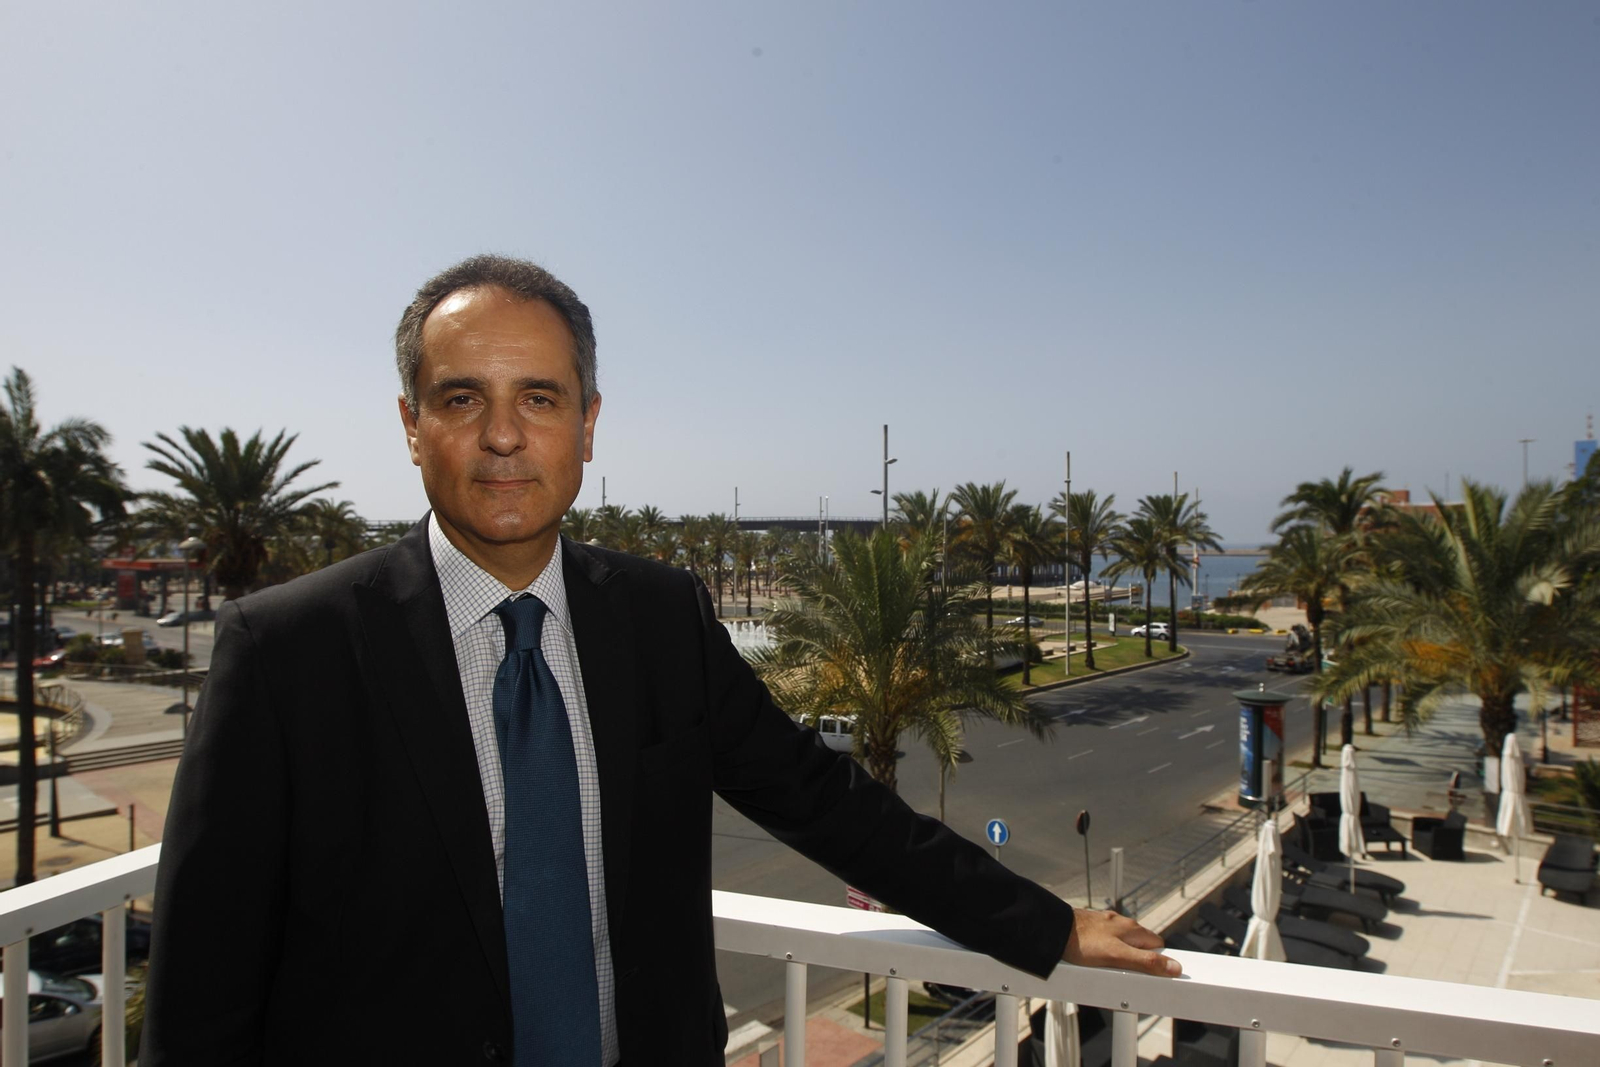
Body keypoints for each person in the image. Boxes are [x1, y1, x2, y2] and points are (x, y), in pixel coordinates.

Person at [140, 254, 1177, 1066]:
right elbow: (202, 989)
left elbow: (825, 800)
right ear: (411, 426)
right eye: (460, 399)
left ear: (588, 425)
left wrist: (1042, 924)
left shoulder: (658, 616)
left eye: (539, 398)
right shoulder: (287, 652)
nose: (503, 436)